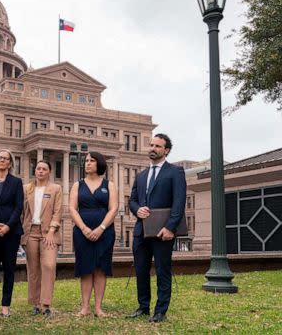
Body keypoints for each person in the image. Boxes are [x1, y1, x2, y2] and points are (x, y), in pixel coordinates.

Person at [127, 133, 186, 323]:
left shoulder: (175, 172)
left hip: (163, 233)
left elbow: (179, 203)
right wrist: (138, 210)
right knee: (141, 270)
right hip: (141, 231)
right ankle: (143, 307)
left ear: (166, 150)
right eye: (151, 145)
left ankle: (160, 311)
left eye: (157, 146)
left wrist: (170, 228)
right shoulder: (141, 175)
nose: (152, 148)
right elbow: (132, 200)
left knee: (162, 270)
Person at [69, 151, 118, 317]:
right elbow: (72, 209)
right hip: (82, 232)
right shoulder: (78, 185)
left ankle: (98, 308)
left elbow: (113, 209)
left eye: (91, 160)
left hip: (104, 232)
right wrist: (84, 228)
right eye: (86, 161)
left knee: (100, 269)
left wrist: (101, 228)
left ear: (99, 164)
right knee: (85, 268)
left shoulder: (109, 185)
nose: (87, 163)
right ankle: (85, 307)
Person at [20, 160, 62, 316]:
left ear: (49, 172)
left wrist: (52, 230)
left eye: (44, 169)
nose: (41, 171)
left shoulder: (55, 188)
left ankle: (46, 304)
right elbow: (22, 212)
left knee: (49, 265)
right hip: (31, 232)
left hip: (48, 232)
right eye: (38, 168)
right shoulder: (26, 189)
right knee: (33, 269)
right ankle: (36, 303)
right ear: (34, 170)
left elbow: (57, 212)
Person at [0, 149, 24, 317]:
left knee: (9, 269)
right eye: (0, 158)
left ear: (10, 163)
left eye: (5, 159)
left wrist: (8, 226)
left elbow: (18, 207)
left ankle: (5, 305)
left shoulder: (16, 182)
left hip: (11, 232)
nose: (2, 160)